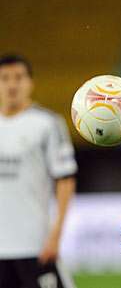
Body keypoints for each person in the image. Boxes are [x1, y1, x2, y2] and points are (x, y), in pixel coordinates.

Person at [0, 54, 78, 288]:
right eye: (4, 78)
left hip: (35, 244)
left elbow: (65, 179)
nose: (12, 84)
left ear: (30, 82)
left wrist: (56, 235)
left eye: (19, 77)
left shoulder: (47, 124)